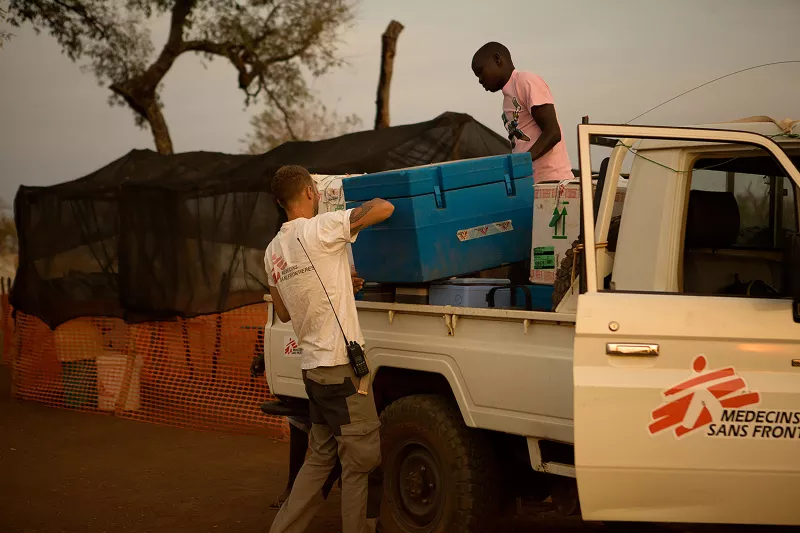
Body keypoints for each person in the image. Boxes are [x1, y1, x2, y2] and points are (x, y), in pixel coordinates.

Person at [264, 165, 394, 533]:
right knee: (360, 463)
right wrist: (368, 199)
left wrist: (338, 281)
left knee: (320, 457)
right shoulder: (319, 227)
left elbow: (286, 311)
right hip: (341, 368)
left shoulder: (272, 252)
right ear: (309, 192)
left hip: (314, 372)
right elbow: (384, 208)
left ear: (279, 201)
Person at [268, 267, 365, 510]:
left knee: (321, 449)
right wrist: (343, 285)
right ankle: (303, 492)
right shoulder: (322, 238)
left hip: (312, 366)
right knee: (356, 456)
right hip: (334, 365)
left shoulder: (276, 251)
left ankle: (294, 503)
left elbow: (282, 312)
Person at [471, 42, 574, 183]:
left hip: (552, 180)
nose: (480, 80)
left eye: (480, 72)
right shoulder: (507, 100)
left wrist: (520, 163)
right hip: (530, 181)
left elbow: (553, 132)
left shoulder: (525, 82)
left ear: (497, 60)